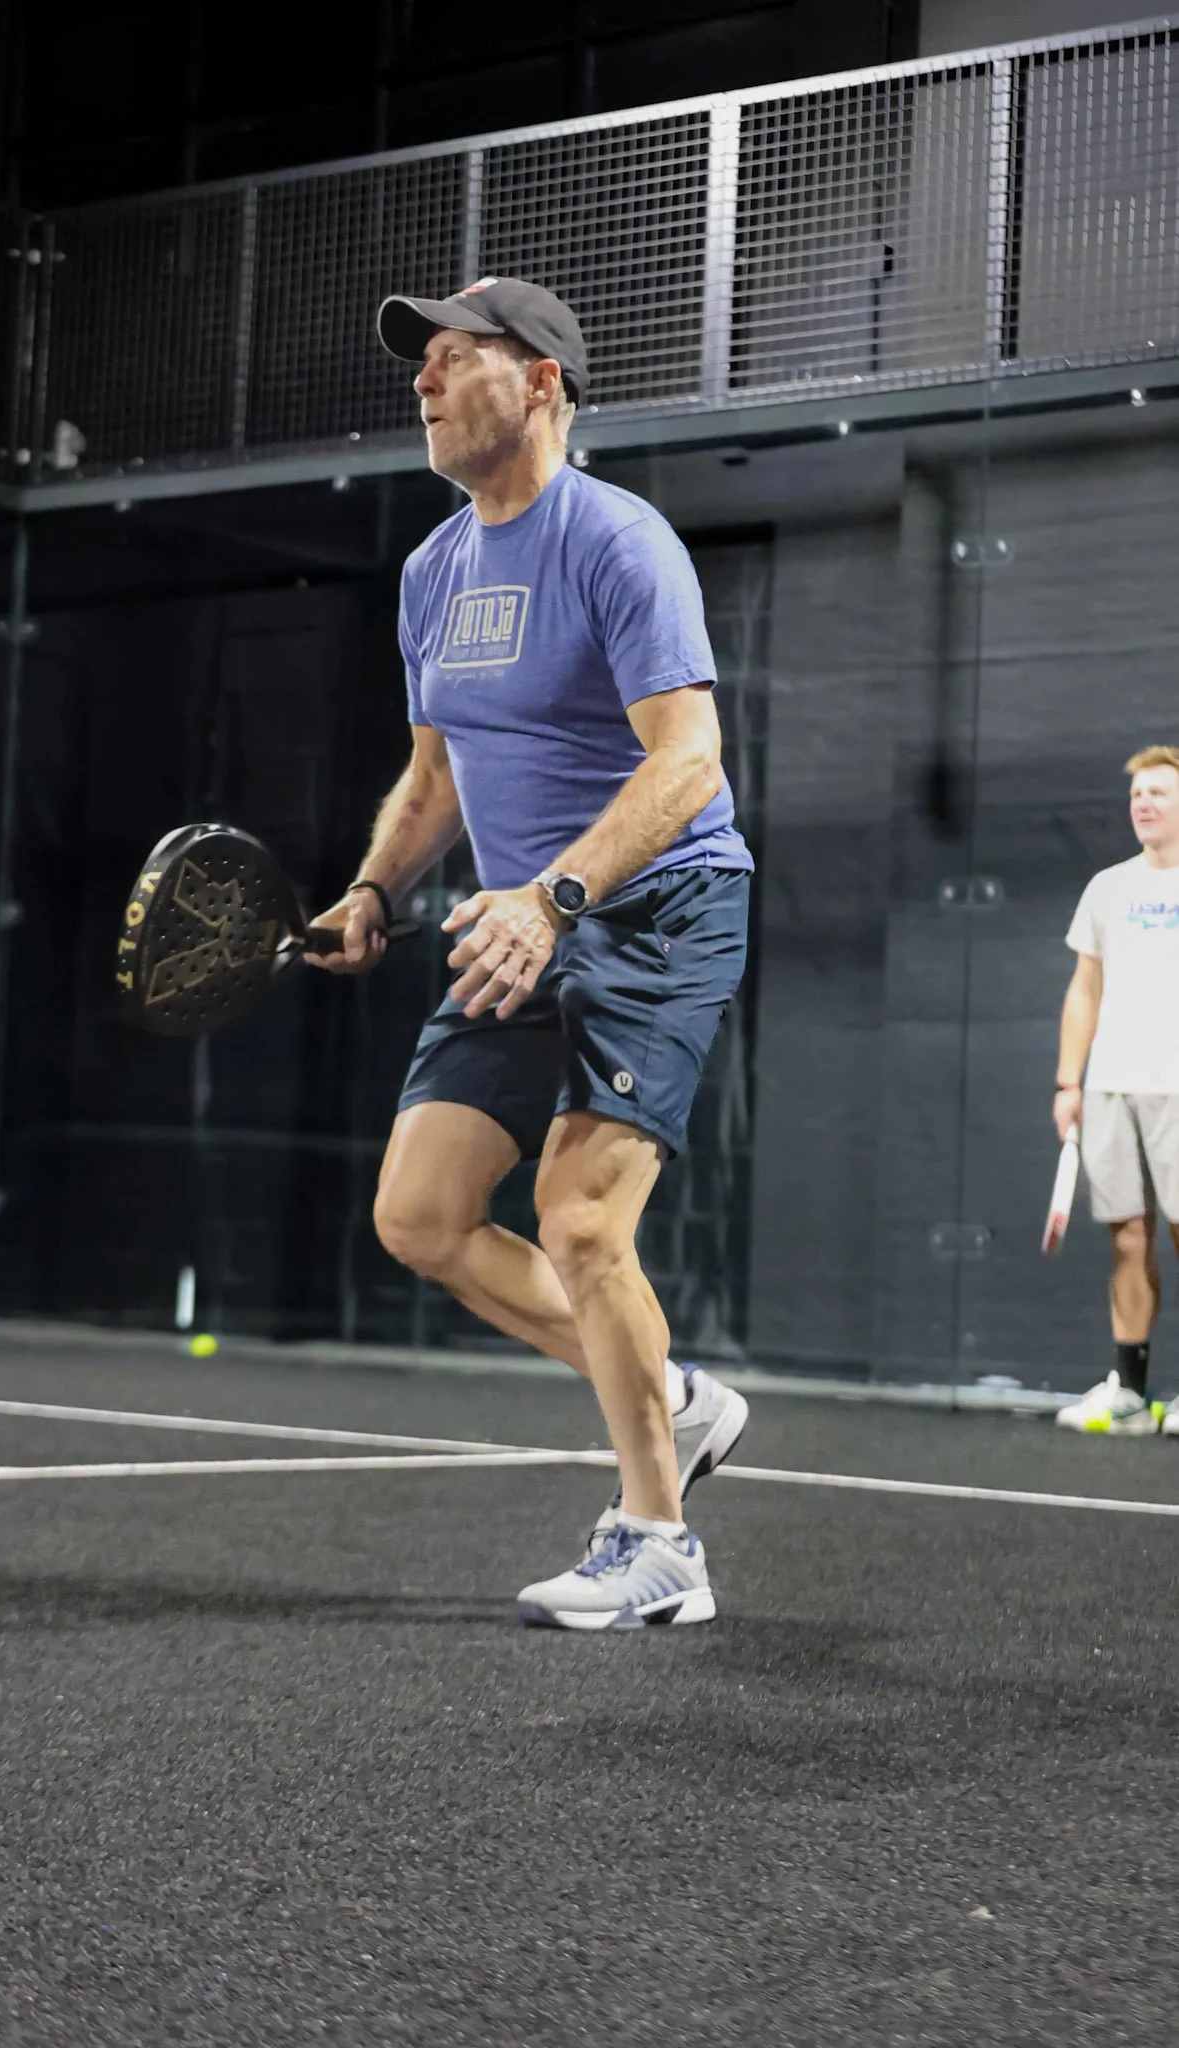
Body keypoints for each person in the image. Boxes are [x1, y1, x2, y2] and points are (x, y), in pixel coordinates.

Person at [304, 277, 753, 1628]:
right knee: (420, 1216)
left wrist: (550, 896)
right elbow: (434, 771)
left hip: (653, 907)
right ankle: (670, 1393)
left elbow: (688, 763)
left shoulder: (618, 543)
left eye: (455, 361)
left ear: (544, 384)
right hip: (517, 922)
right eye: (421, 367)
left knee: (577, 1219)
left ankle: (659, 1542)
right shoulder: (431, 570)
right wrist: (378, 885)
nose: (425, 384)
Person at [1054, 744, 1179, 1435]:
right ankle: (1130, 1394)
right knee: (1127, 1240)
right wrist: (1068, 1080)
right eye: (1136, 794)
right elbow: (1084, 989)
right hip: (1109, 1088)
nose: (1143, 803)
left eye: (1158, 792)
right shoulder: (1107, 888)